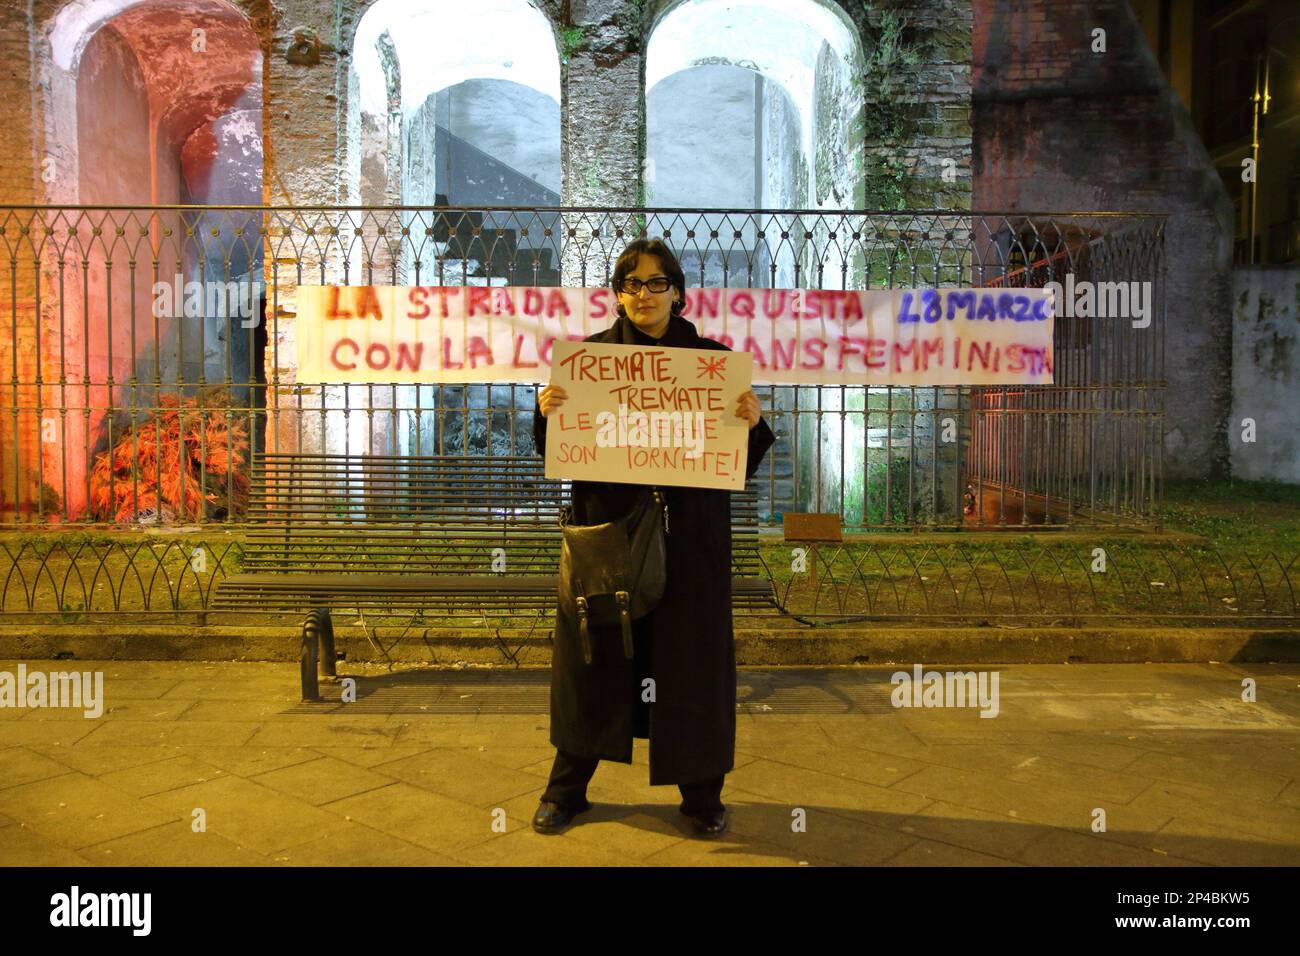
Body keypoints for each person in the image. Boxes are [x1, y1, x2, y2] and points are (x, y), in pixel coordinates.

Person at [530, 239, 775, 837]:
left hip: (690, 543)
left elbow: (740, 462)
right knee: (596, 659)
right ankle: (567, 791)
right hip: (609, 538)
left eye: (656, 282)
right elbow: (557, 453)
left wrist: (753, 422)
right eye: (632, 283)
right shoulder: (588, 362)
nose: (644, 294)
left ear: (677, 291)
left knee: (691, 665)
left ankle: (702, 797)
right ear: (617, 293)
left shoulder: (712, 364)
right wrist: (546, 412)